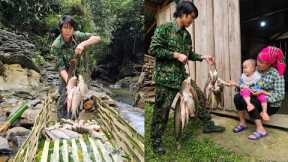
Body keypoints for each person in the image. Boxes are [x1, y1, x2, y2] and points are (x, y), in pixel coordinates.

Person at [149, 1, 225, 154]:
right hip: (166, 78)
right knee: (161, 110)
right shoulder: (164, 29)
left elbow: (188, 54)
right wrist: (175, 55)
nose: (192, 21)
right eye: (191, 17)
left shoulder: (186, 35)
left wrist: (203, 57)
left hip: (182, 77)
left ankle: (207, 124)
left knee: (200, 96)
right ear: (183, 14)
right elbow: (153, 49)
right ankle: (156, 140)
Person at [51, 15, 101, 119]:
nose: (68, 31)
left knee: (81, 96)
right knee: (64, 98)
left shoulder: (78, 35)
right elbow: (61, 68)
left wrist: (83, 44)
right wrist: (70, 84)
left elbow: (97, 38)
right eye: (65, 27)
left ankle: (76, 119)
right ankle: (61, 122)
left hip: (81, 73)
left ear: (73, 29)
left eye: (70, 28)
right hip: (66, 75)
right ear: (61, 28)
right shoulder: (56, 46)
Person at [232, 46, 285, 140]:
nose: (258, 63)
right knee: (237, 97)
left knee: (253, 101)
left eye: (261, 62)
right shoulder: (255, 69)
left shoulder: (276, 75)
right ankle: (242, 123)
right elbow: (246, 83)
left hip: (271, 104)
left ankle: (261, 129)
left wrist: (262, 95)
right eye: (258, 60)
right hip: (255, 97)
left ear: (269, 64)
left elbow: (280, 95)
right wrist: (239, 86)